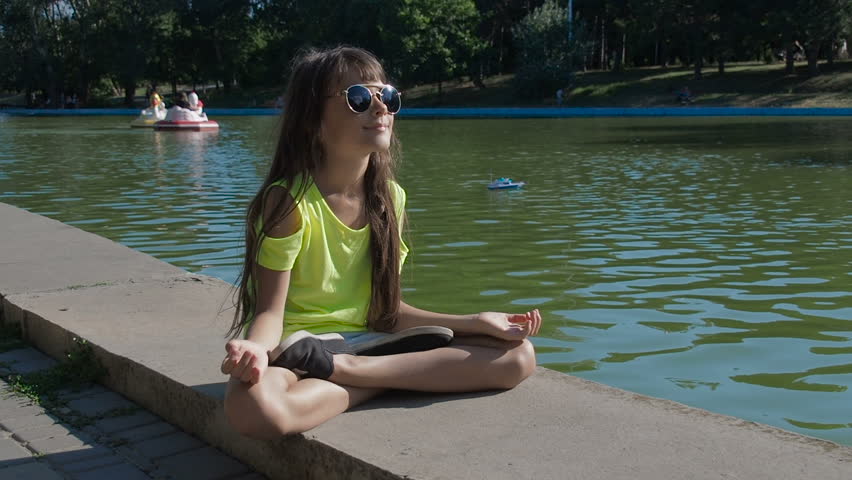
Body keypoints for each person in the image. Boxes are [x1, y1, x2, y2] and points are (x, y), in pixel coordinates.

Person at [220, 46, 542, 438]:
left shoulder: (390, 198)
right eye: (358, 98)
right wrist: (255, 348)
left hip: (370, 346)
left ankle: (351, 372)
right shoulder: (289, 201)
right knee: (254, 409)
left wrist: (477, 321)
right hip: (300, 348)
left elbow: (387, 311)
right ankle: (397, 376)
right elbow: (270, 313)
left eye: (387, 96)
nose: (380, 108)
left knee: (518, 357)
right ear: (312, 121)